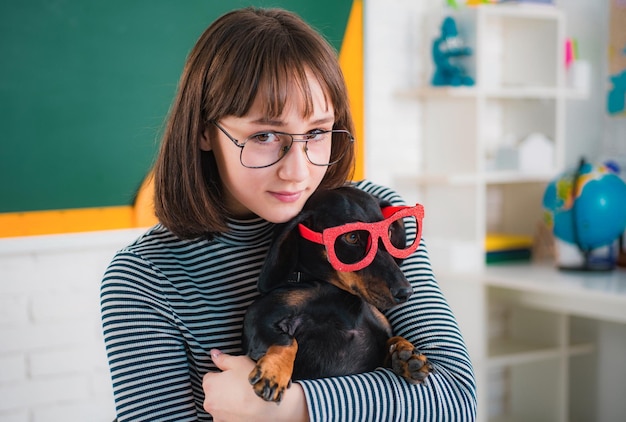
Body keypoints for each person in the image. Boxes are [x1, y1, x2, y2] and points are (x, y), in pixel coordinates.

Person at [100, 7, 477, 422]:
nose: (297, 170)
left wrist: (289, 408)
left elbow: (456, 399)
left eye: (316, 132)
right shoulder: (144, 279)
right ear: (204, 132)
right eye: (264, 136)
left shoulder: (373, 218)